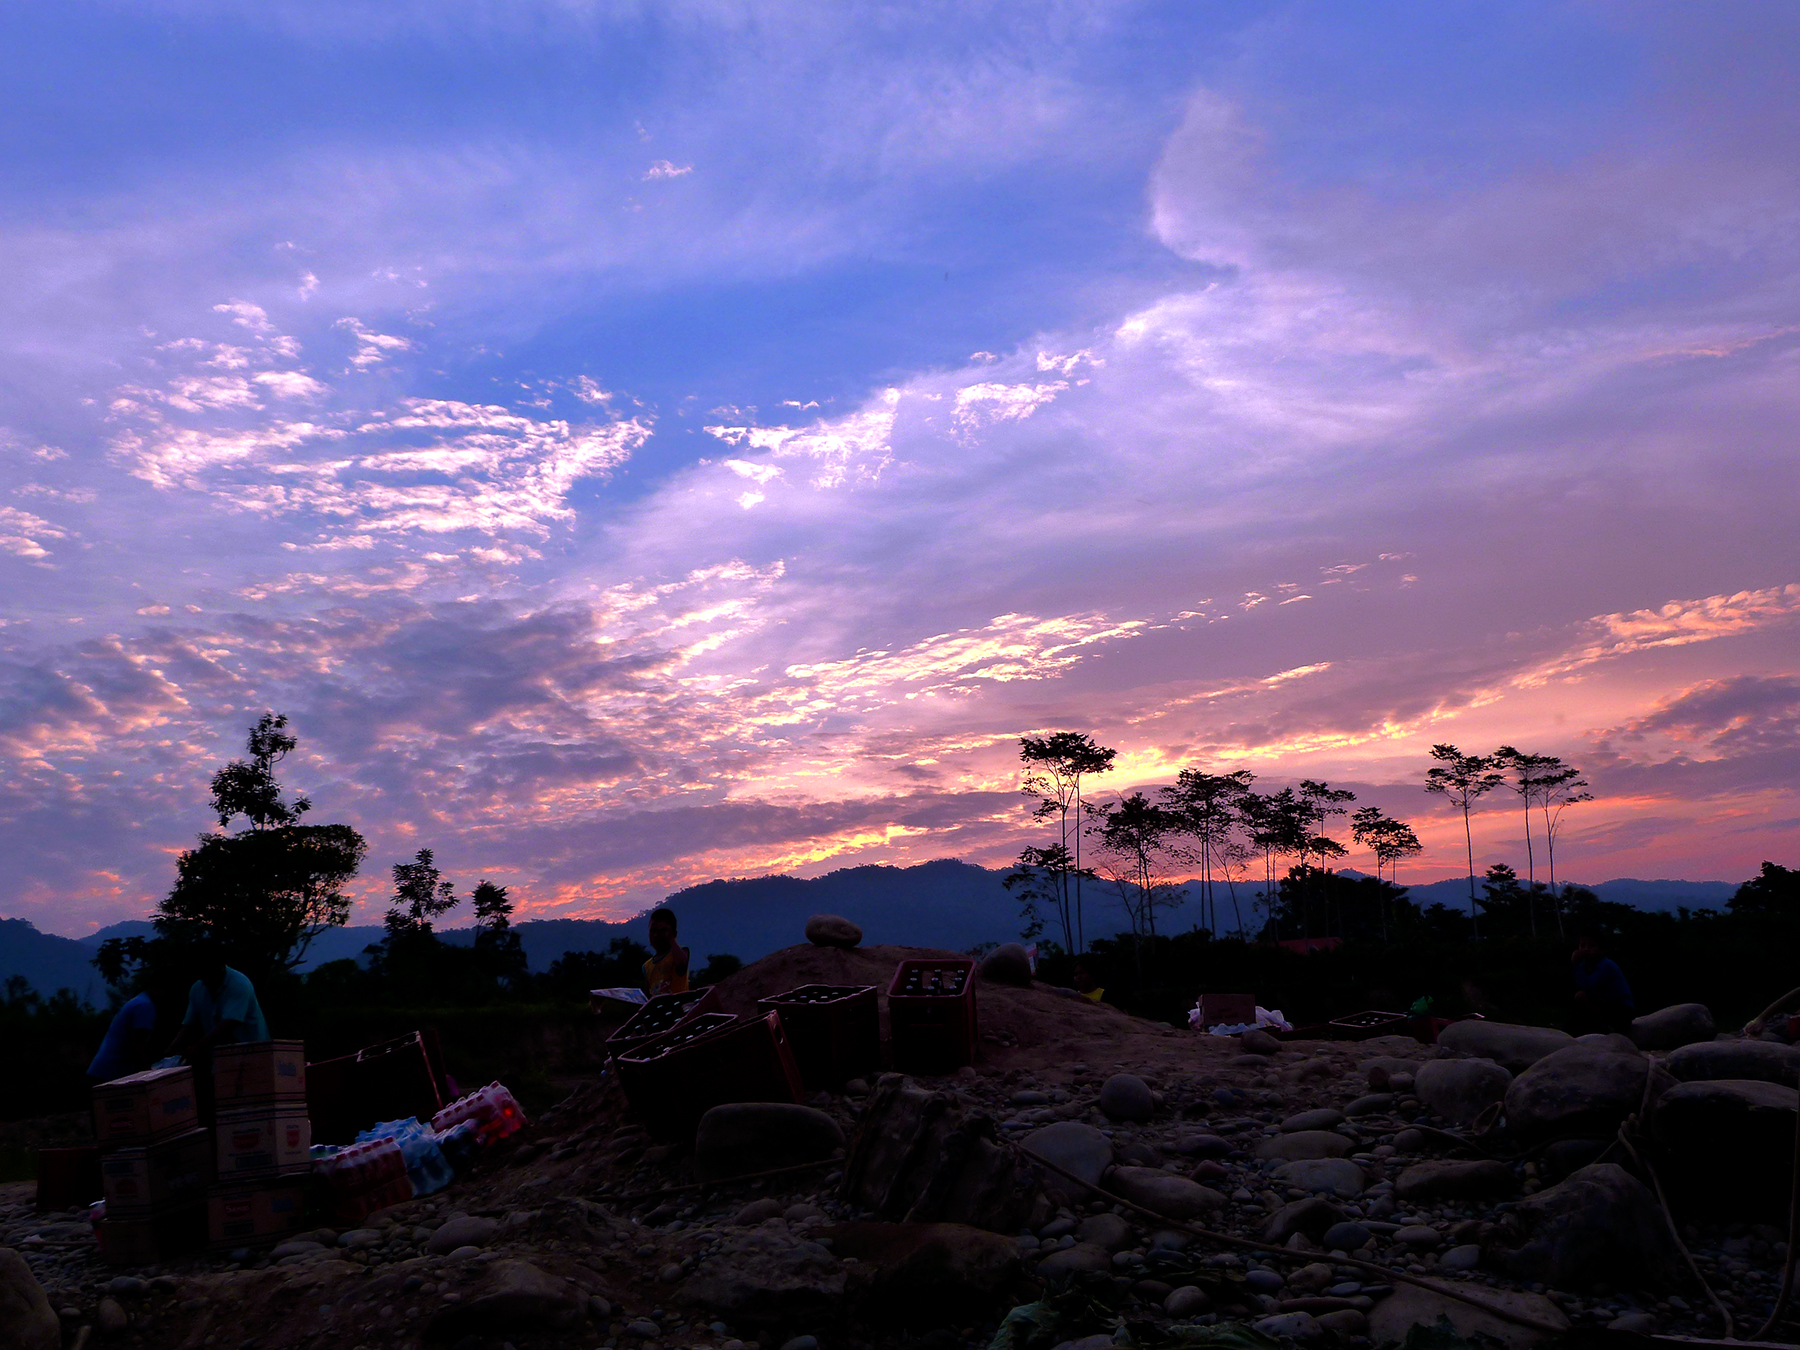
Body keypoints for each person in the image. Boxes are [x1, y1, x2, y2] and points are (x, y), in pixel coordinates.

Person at [168, 946, 271, 1060]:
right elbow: (189, 1024)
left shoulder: (239, 984)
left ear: (220, 966)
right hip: (222, 1055)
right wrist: (173, 1048)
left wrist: (196, 1047)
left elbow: (229, 1023)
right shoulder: (197, 988)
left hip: (253, 1052)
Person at [87, 972, 183, 1083]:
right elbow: (137, 1043)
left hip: (106, 1069)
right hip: (111, 1072)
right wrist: (148, 1072)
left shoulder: (140, 1002)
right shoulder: (145, 1006)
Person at [1571, 929, 1634, 1034]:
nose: (1586, 949)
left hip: (1621, 1010)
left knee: (1580, 996)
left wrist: (1575, 965)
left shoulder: (1606, 965)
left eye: (1592, 946)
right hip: (1605, 1004)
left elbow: (1590, 985)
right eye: (1583, 946)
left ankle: (1609, 1026)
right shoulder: (1584, 966)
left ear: (1602, 950)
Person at [642, 907, 690, 996]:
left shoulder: (679, 954)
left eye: (661, 931)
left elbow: (682, 964)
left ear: (673, 934)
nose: (655, 935)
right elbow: (647, 996)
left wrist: (671, 938)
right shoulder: (647, 966)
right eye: (652, 931)